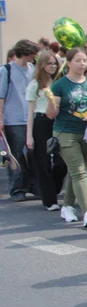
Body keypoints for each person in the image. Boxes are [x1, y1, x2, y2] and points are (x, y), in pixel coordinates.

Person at [46, 48, 87, 227]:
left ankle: (68, 206)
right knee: (78, 171)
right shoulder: (60, 85)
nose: (82, 64)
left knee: (76, 171)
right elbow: (51, 115)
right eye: (78, 60)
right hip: (65, 132)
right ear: (68, 63)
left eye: (85, 60)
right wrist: (51, 103)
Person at [25, 50, 64, 210]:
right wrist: (29, 136)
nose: (53, 66)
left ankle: (53, 190)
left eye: (55, 63)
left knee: (62, 162)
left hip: (58, 122)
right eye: (49, 63)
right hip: (41, 122)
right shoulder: (34, 85)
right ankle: (49, 200)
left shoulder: (59, 82)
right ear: (41, 65)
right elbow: (30, 112)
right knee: (43, 161)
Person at [1, 39, 39, 200]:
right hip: (13, 118)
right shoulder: (6, 70)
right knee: (16, 154)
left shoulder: (33, 69)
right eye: (32, 53)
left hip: (31, 117)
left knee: (33, 154)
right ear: (24, 53)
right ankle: (17, 188)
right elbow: (1, 96)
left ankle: (32, 184)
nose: (34, 56)